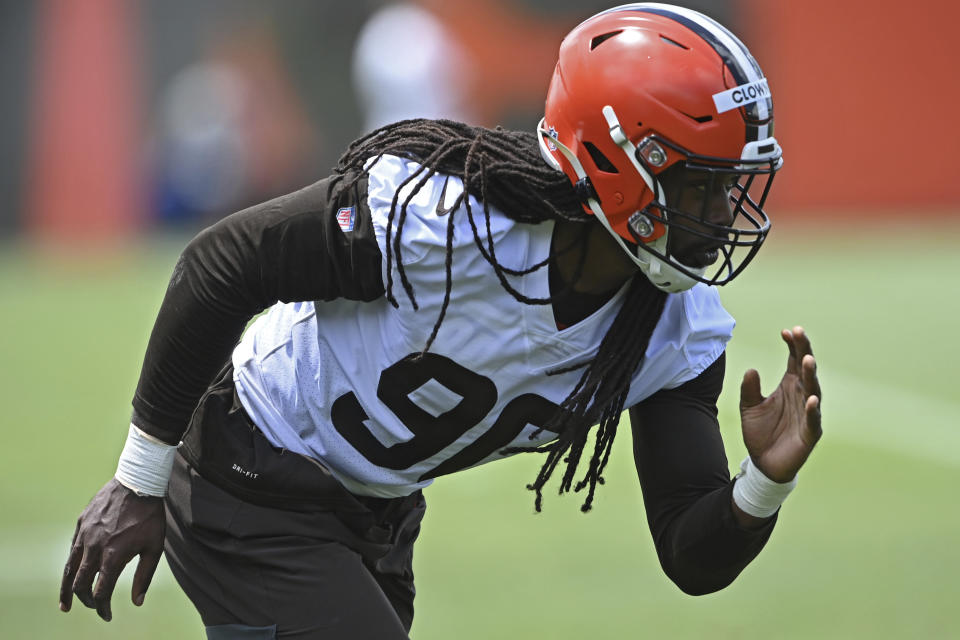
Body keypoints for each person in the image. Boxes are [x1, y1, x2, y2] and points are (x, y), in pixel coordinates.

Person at [59, 4, 822, 639]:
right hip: (250, 466)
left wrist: (762, 484)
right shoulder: (443, 220)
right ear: (624, 165)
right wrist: (138, 479)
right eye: (701, 186)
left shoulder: (672, 329)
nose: (725, 215)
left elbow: (691, 555)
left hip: (374, 514)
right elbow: (223, 262)